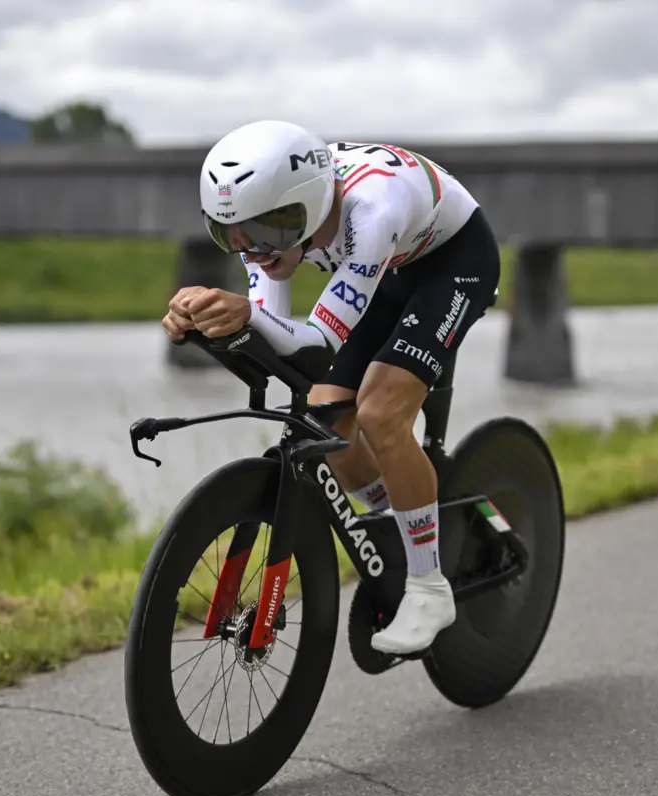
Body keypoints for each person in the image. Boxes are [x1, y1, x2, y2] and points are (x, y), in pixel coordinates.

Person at [162, 120, 501, 655]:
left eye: (268, 231)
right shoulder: (272, 223)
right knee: (329, 422)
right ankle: (402, 517)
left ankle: (429, 587)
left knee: (381, 414)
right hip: (388, 268)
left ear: (310, 207)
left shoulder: (372, 211)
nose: (253, 250)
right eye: (231, 235)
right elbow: (274, 334)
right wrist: (205, 320)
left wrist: (245, 314)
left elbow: (315, 345)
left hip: (452, 264)